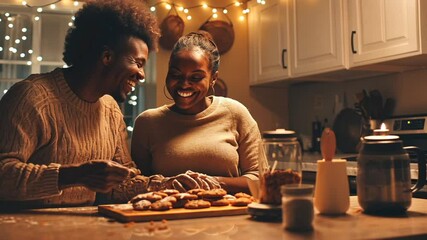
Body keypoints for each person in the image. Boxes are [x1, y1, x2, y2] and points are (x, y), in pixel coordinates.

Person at [0, 0, 212, 209]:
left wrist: (167, 184)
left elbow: (121, 184)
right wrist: (72, 175)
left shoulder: (111, 110)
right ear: (107, 56)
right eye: (138, 63)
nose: (141, 74)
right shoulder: (32, 97)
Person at [131, 31, 261, 194]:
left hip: (227, 216)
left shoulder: (236, 113)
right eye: (176, 75)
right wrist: (167, 184)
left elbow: (260, 180)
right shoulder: (147, 123)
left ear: (213, 78)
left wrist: (212, 183)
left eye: (196, 77)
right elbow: (135, 185)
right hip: (164, 217)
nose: (184, 84)